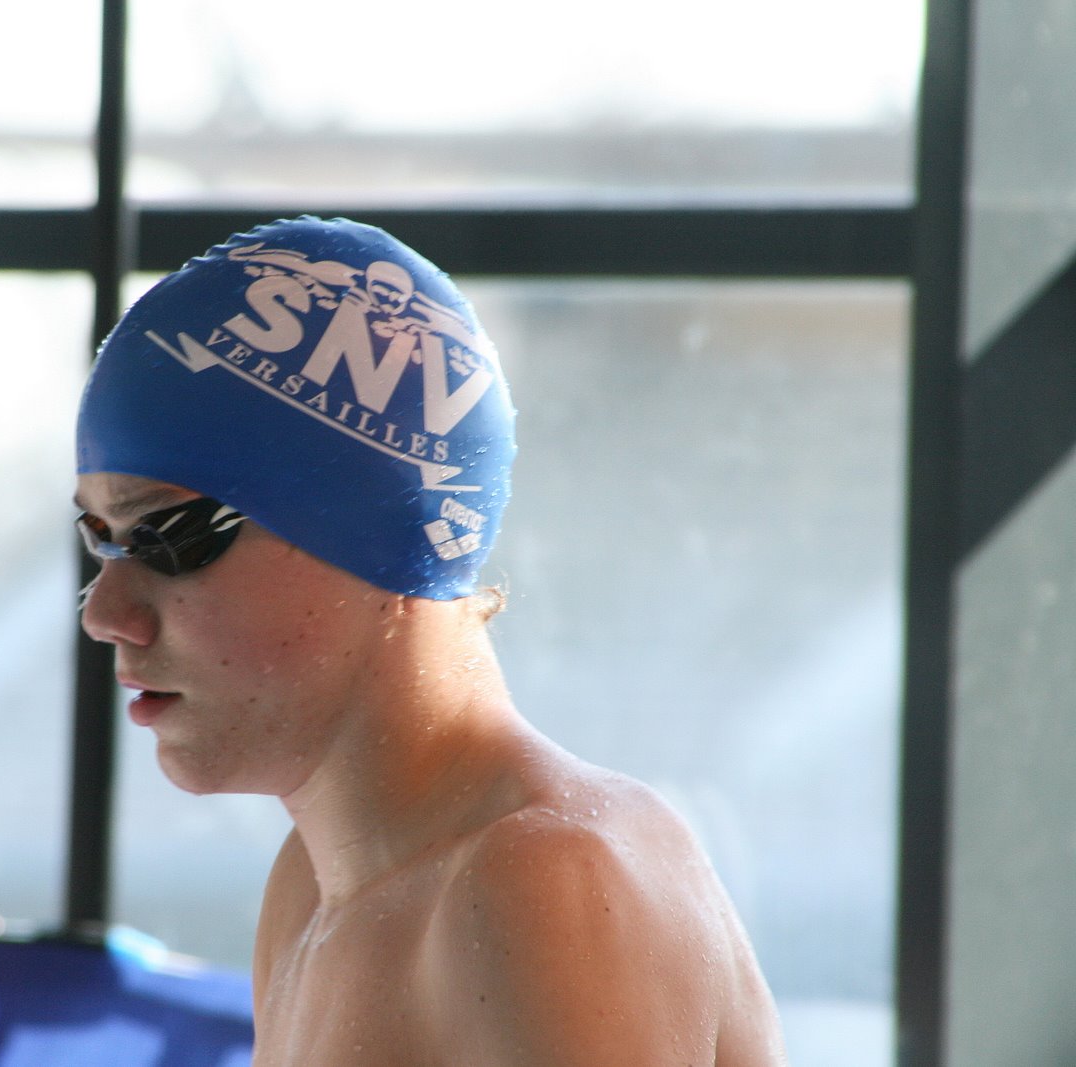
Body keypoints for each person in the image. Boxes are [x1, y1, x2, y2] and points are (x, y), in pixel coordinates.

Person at [73, 217, 788, 1066]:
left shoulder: (546, 883)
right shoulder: (312, 887)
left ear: (367, 531)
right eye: (100, 540)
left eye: (166, 538)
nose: (104, 612)